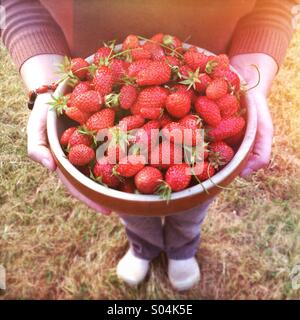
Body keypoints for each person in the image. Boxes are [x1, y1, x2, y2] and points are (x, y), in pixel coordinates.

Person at [1, 0, 296, 290]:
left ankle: (183, 247)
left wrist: (250, 77)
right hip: (104, 88)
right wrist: (46, 86)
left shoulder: (199, 118)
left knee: (193, 196)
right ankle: (144, 246)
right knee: (130, 196)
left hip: (204, 81)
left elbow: (274, 6)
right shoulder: (114, 105)